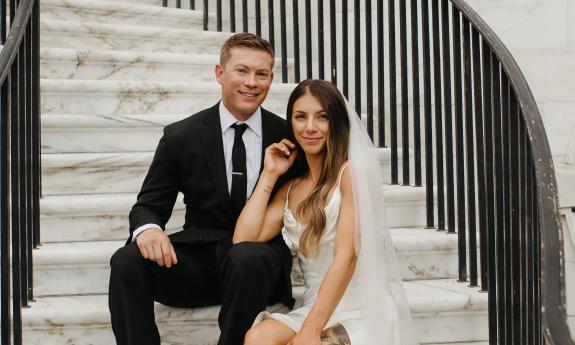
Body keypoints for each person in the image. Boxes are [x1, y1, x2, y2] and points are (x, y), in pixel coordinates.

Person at [108, 33, 294, 345]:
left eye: (261, 74)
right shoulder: (181, 135)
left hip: (259, 266)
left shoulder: (287, 135)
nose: (252, 82)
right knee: (125, 261)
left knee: (246, 258)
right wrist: (149, 230)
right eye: (242, 71)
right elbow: (148, 206)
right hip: (201, 259)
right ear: (220, 73)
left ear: (271, 79)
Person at [234, 79, 416, 344]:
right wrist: (270, 174)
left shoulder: (351, 174)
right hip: (313, 305)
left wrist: (310, 330)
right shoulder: (291, 189)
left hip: (360, 309)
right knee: (257, 337)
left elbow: (346, 258)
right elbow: (243, 239)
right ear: (291, 123)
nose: (310, 127)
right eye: (300, 117)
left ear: (337, 123)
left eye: (322, 117)